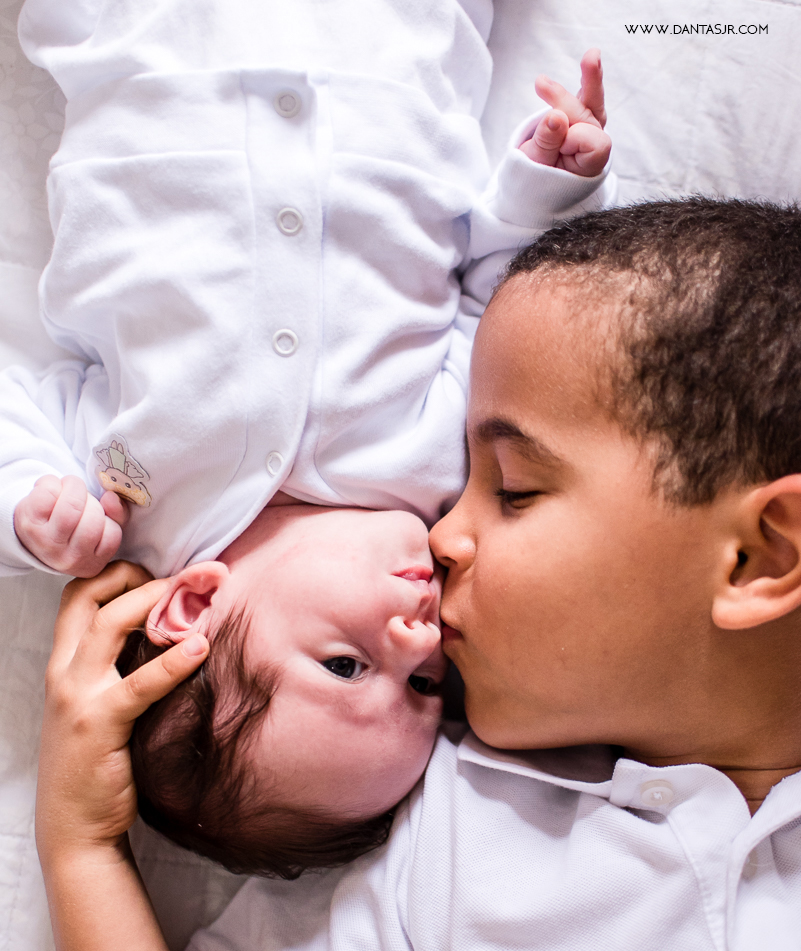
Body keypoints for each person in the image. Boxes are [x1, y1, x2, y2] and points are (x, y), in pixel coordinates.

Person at [36, 196, 801, 951]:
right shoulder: (447, 837)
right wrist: (81, 847)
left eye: (514, 490)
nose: (439, 536)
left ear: (757, 554)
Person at [2, 0, 613, 873]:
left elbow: (19, 408)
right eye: (426, 686)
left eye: (345, 666)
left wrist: (27, 510)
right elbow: (502, 304)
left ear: (192, 609)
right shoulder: (441, 466)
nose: (420, 639)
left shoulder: (127, 506)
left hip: (146, 43)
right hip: (387, 54)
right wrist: (546, 190)